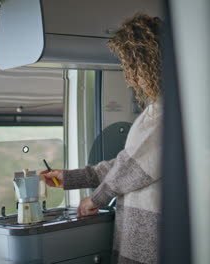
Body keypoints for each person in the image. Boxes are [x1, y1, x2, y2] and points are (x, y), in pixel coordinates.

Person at [41, 13, 163, 264]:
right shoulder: (155, 109)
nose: (132, 78)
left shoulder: (172, 110)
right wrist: (72, 177)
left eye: (134, 66)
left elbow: (134, 168)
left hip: (153, 229)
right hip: (142, 226)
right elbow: (125, 163)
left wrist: (95, 198)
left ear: (152, 61)